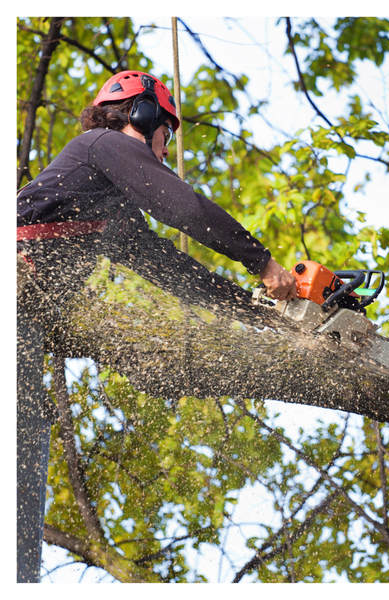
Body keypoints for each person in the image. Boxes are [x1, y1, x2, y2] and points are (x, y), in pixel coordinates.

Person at [16, 70, 297, 582]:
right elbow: (182, 205)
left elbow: (175, 272)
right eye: (166, 134)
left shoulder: (110, 207)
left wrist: (260, 314)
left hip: (23, 320)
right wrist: (263, 262)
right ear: (142, 116)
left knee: (24, 432)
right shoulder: (101, 144)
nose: (165, 150)